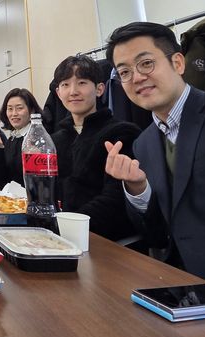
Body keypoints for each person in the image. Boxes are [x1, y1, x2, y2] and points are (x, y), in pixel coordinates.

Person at [104, 22, 205, 286]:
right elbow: (158, 236)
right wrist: (137, 189)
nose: (137, 77)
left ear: (178, 63)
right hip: (174, 282)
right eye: (124, 72)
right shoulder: (144, 143)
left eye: (146, 63)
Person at [50, 55, 140, 241]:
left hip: (106, 241)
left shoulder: (121, 133)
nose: (73, 91)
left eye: (82, 83)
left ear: (99, 89)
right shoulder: (55, 140)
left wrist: (64, 226)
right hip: (59, 236)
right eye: (65, 85)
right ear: (58, 93)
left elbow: (116, 199)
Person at [0, 88, 43, 189]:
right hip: (12, 195)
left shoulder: (38, 138)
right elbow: (1, 177)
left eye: (19, 108)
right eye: (10, 109)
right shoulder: (12, 138)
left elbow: (38, 181)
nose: (14, 113)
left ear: (31, 110)